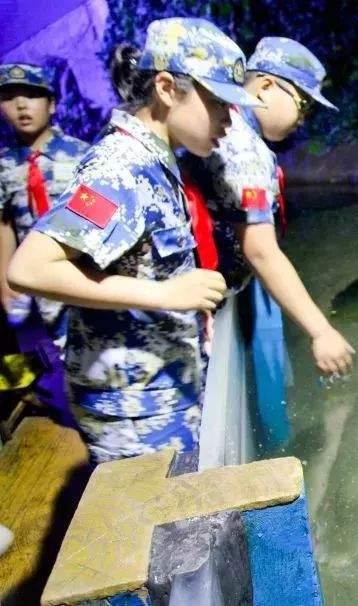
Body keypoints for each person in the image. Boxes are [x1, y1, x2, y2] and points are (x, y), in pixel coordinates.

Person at [7, 18, 261, 463]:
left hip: (157, 386)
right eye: (219, 102)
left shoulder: (155, 160)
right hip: (135, 409)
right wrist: (164, 293)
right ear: (166, 88)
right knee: (160, 527)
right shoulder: (120, 168)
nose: (229, 119)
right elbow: (29, 268)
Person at [181, 37, 354, 379]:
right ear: (265, 85)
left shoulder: (228, 126)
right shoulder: (243, 148)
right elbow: (260, 251)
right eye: (302, 102)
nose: (303, 117)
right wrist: (321, 331)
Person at [0, 63, 90, 423]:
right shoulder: (4, 165)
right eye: (9, 97)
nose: (22, 105)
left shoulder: (81, 155)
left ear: (52, 104)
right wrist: (4, 276)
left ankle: (82, 416)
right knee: (34, 352)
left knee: (80, 354)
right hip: (30, 283)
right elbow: (5, 222)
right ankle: (38, 403)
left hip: (75, 275)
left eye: (33, 95)